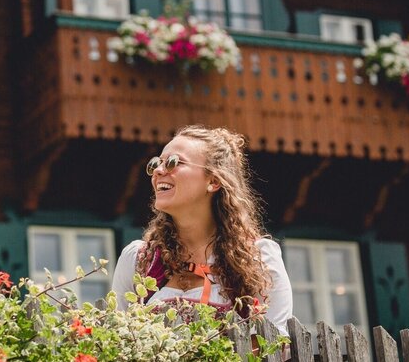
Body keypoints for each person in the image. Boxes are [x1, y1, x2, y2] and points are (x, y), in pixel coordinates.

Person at [111, 125, 293, 335]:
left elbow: (275, 347)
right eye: (156, 164)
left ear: (213, 181)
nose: (159, 171)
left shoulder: (258, 259)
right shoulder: (138, 260)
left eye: (173, 163)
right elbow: (117, 343)